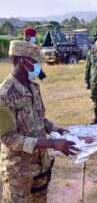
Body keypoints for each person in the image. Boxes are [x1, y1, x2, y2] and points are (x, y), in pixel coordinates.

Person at [0, 40, 79, 202]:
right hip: (19, 170)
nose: (39, 68)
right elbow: (9, 138)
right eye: (36, 63)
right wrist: (51, 143)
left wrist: (59, 130)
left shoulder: (33, 87)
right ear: (23, 62)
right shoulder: (4, 95)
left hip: (40, 164)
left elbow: (38, 119)